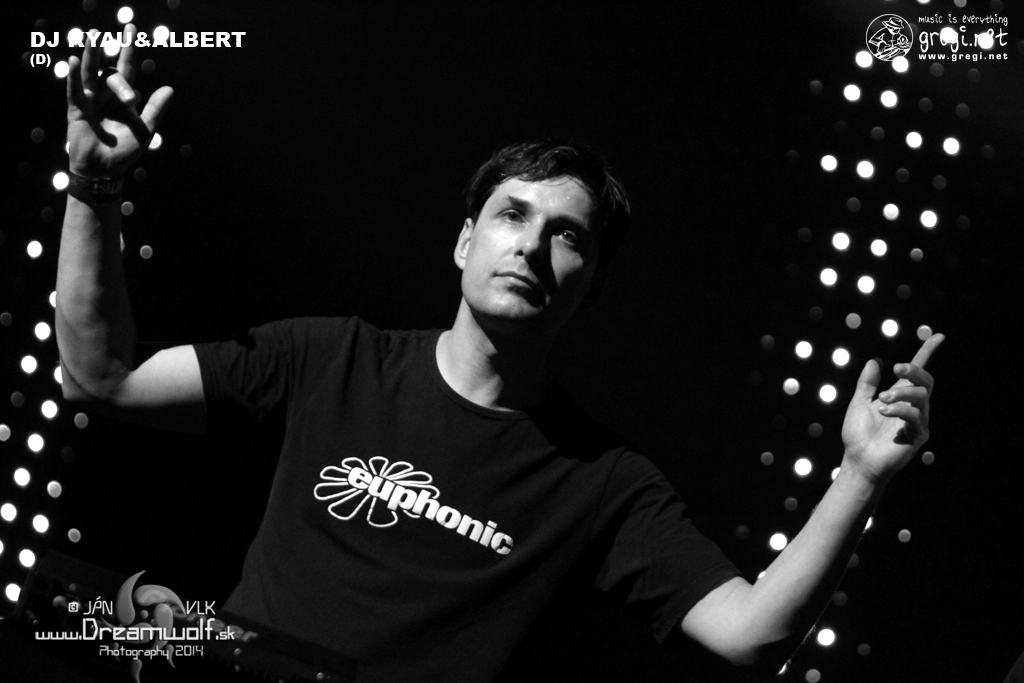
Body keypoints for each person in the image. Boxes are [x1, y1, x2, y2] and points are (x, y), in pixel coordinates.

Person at [56, 26, 944, 681]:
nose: (530, 245)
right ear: (463, 241)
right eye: (512, 214)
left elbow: (752, 634)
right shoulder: (329, 356)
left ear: (591, 286)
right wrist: (94, 186)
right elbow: (102, 377)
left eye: (567, 235)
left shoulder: (602, 481)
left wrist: (860, 475)